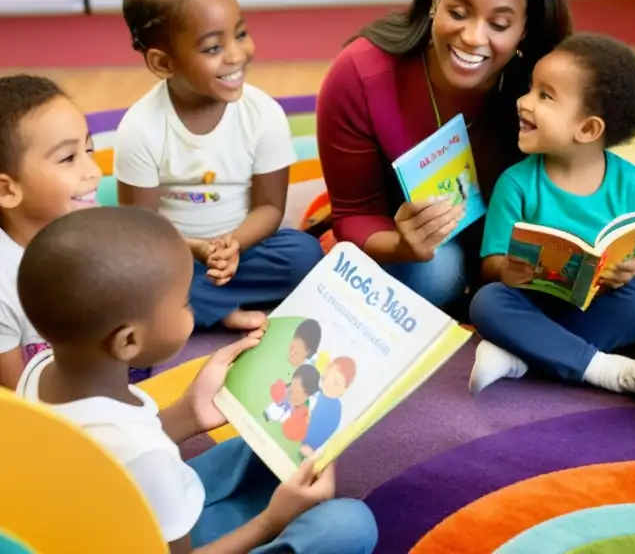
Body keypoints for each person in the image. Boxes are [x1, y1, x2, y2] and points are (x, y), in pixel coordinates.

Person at [17, 206, 378, 554]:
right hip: (147, 533)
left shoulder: (40, 370)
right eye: (186, 302)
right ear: (128, 341)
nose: (195, 308)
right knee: (350, 525)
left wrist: (188, 413)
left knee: (270, 441)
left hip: (118, 509)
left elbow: (101, 458)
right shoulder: (146, 454)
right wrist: (272, 521)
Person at [316, 0, 572, 309]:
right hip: (415, 254)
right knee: (437, 273)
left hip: (511, 252)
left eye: (499, 24)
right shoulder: (361, 75)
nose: (472, 37)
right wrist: (401, 244)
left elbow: (576, 184)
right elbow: (354, 214)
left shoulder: (551, 82)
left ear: (525, 29)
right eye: (458, 11)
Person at [115, 0, 324, 332]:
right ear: (163, 63)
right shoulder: (140, 128)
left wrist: (234, 245)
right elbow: (141, 232)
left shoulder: (263, 114)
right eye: (213, 48)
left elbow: (270, 207)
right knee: (125, 273)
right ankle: (213, 307)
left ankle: (187, 310)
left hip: (246, 250)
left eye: (240, 34)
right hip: (174, 255)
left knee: (305, 256)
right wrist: (194, 248)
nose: (236, 54)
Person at [468, 34, 635, 403]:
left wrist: (629, 272)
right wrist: (509, 271)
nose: (523, 102)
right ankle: (608, 370)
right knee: (487, 302)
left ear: (588, 129)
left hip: (598, 307)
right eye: (530, 89)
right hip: (534, 303)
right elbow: (491, 265)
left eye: (544, 96)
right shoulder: (516, 182)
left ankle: (524, 356)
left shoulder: (631, 183)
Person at [0, 75, 101, 389]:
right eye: (68, 158)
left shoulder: (84, 228)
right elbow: (16, 406)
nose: (94, 171)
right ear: (7, 190)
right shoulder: (5, 283)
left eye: (90, 149)